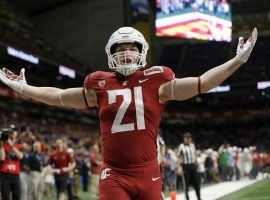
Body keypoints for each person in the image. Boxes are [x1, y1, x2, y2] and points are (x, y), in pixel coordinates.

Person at [0, 26, 257, 199]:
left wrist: (237, 61)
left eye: (131, 48)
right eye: (120, 49)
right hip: (115, 173)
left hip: (148, 171)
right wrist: (25, 88)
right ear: (111, 54)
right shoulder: (99, 84)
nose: (126, 53)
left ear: (141, 51)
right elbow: (58, 96)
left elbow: (203, 82)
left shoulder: (158, 81)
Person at [0, 126, 24, 200]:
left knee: (17, 196)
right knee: (5, 197)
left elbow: (20, 156)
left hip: (15, 175)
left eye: (14, 131)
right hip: (4, 174)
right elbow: (2, 157)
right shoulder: (3, 145)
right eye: (11, 131)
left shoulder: (19, 146)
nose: (13, 133)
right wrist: (1, 143)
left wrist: (11, 145)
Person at [177, 132, 201, 200]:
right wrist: (179, 167)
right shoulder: (181, 146)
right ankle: (187, 198)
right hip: (185, 167)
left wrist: (197, 163)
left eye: (189, 138)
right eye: (187, 138)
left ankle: (199, 197)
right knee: (186, 185)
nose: (189, 140)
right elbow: (178, 157)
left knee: (197, 183)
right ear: (184, 139)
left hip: (193, 166)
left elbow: (194, 154)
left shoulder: (192, 145)